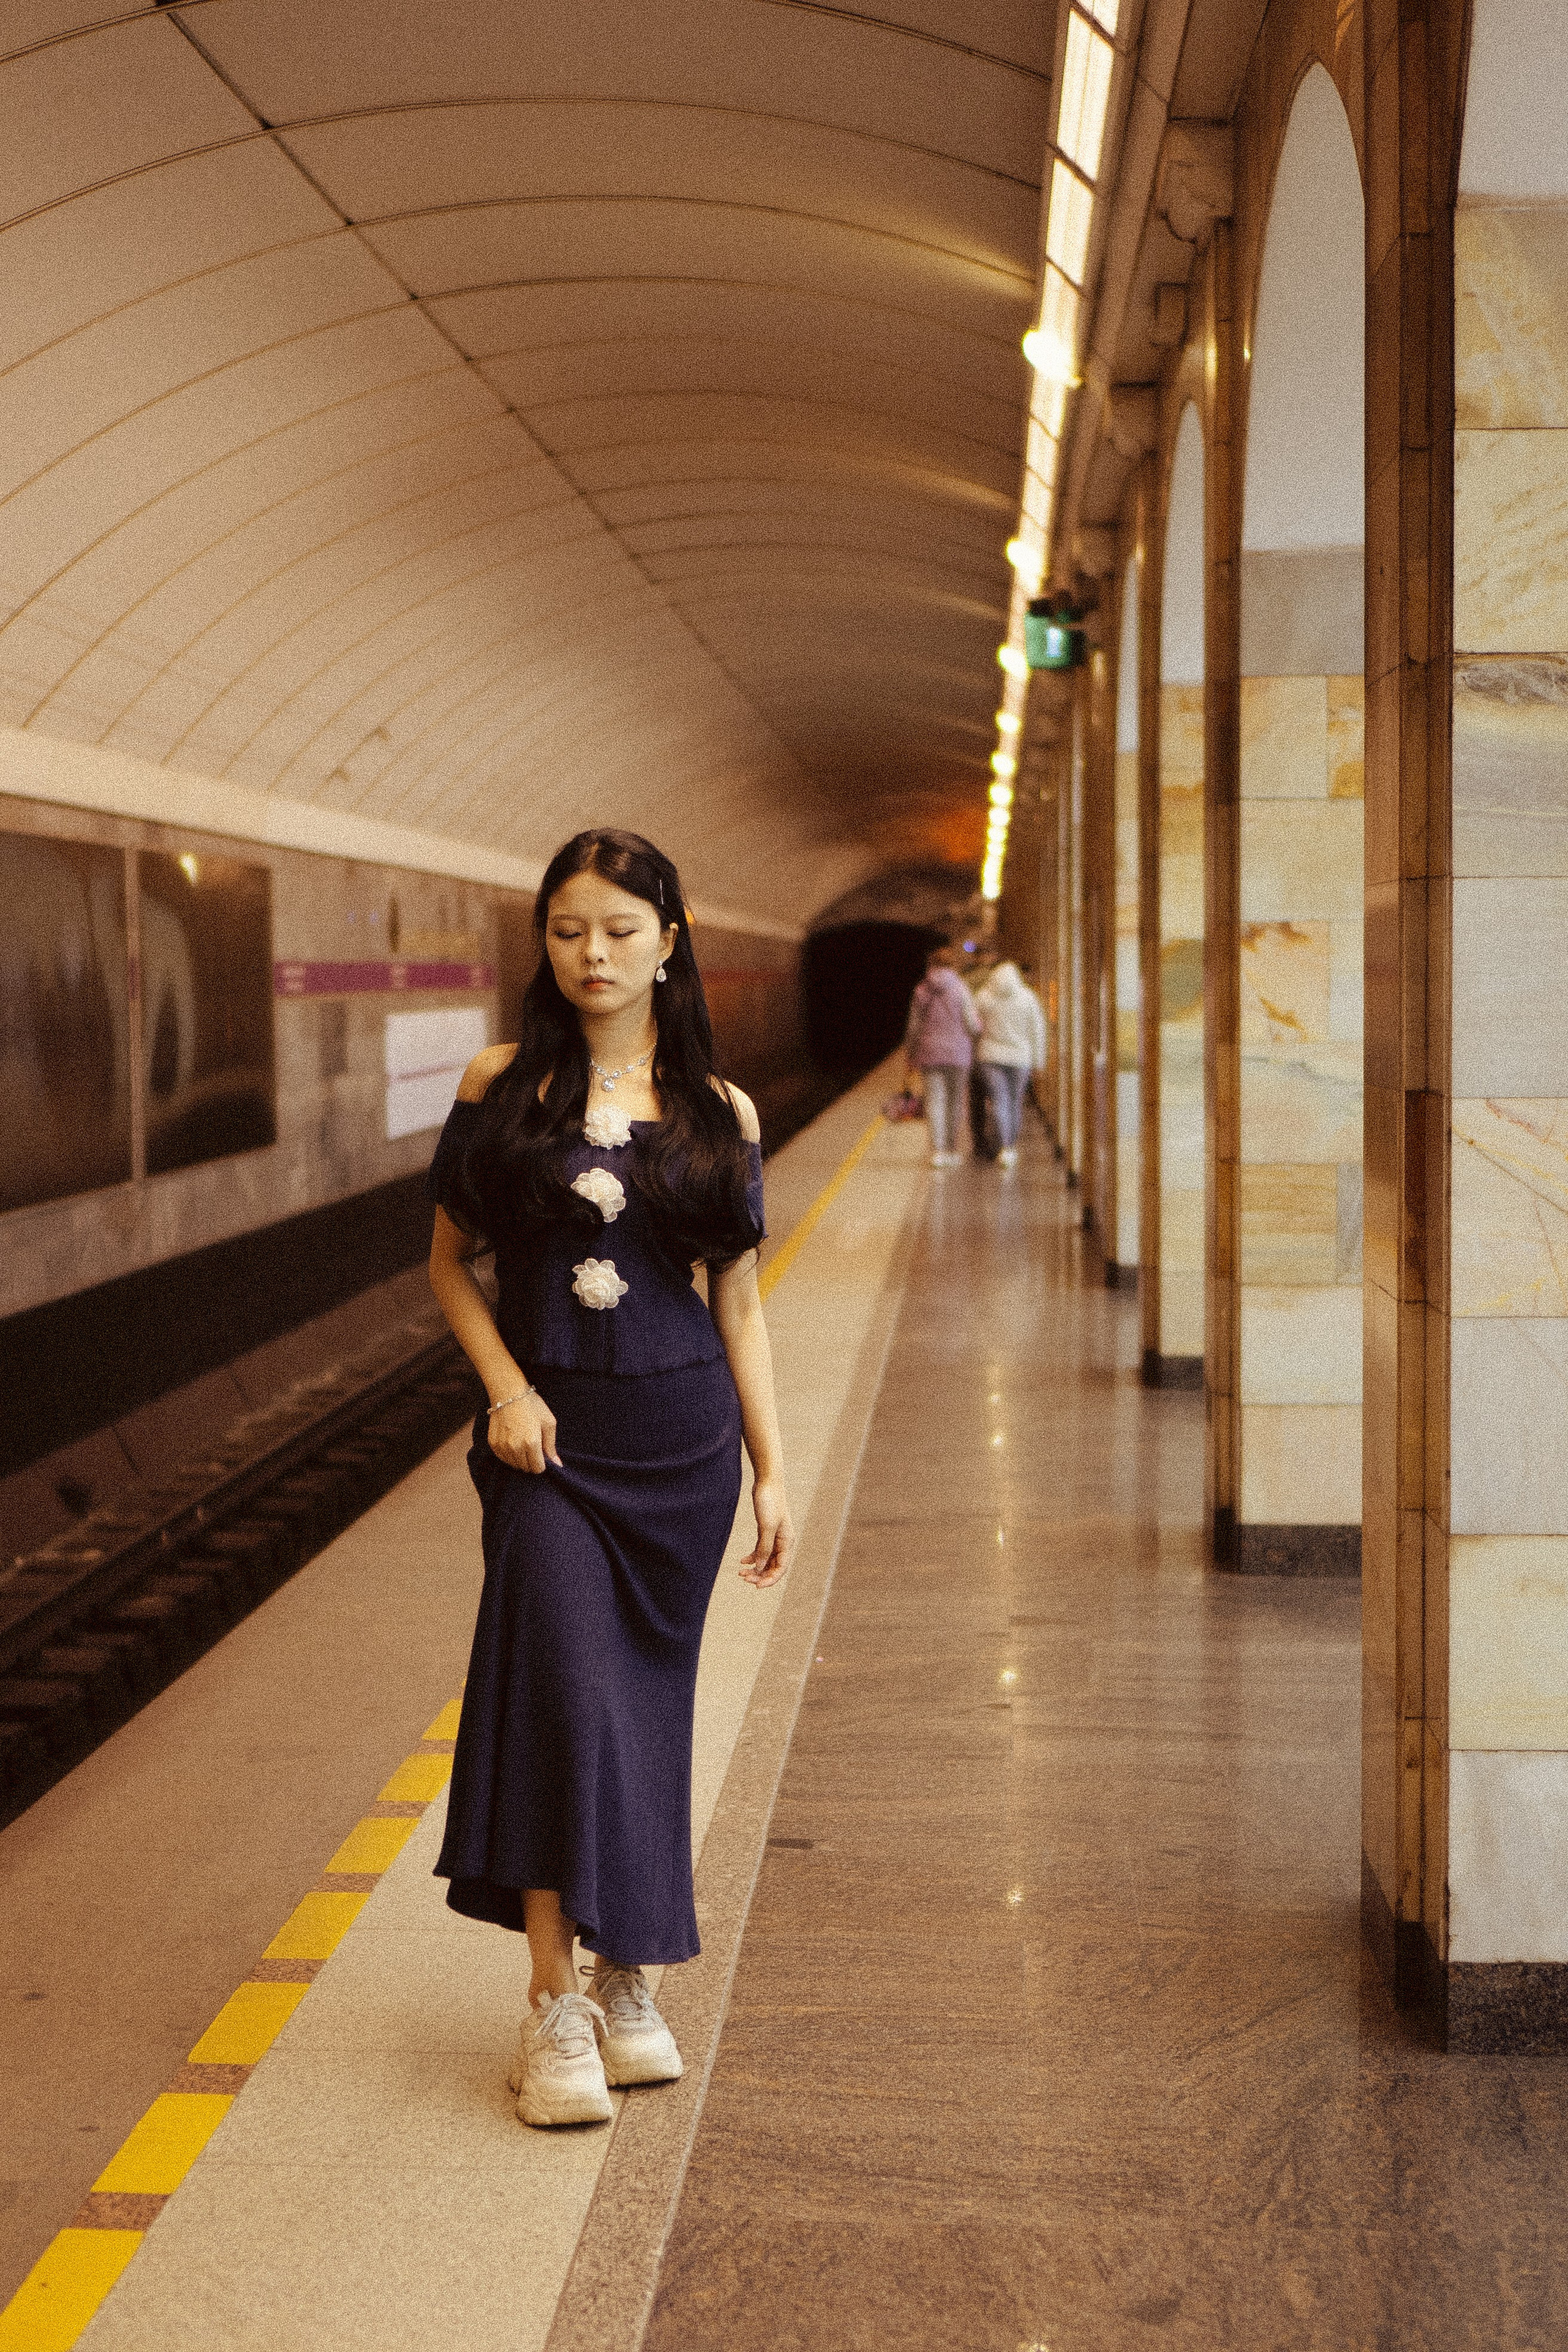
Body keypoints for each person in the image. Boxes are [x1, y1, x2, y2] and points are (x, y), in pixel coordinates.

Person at [425, 828, 791, 2130]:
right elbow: (448, 1266)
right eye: (570, 930)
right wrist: (505, 1392)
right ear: (545, 940)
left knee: (643, 1713)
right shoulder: (500, 1085)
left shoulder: (719, 1110)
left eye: (622, 932)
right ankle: (552, 2004)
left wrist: (771, 1467)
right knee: (565, 1700)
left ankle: (630, 1979)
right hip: (547, 1450)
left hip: (679, 1447)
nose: (594, 954)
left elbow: (737, 1304)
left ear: (668, 944)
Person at [903, 944, 981, 1167]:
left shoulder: (921, 991)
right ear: (953, 965)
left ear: (932, 965)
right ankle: (951, 1149)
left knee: (934, 1102)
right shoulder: (961, 989)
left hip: (929, 1053)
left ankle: (938, 1152)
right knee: (956, 1103)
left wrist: (910, 1055)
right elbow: (972, 1024)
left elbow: (914, 1028)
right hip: (958, 1054)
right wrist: (978, 1034)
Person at [974, 959, 1047, 1168]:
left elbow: (974, 1026)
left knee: (999, 1101)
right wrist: (1039, 1061)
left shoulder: (984, 996)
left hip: (991, 1057)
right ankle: (1010, 1146)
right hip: (1020, 1058)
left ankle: (1004, 1146)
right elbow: (1037, 1031)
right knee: (1015, 1102)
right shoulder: (1028, 997)